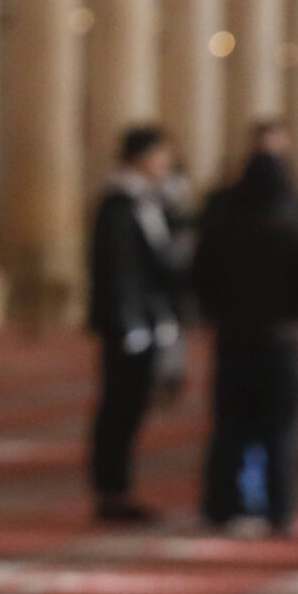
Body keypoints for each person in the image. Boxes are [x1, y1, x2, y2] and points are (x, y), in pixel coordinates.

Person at [190, 152, 298, 533]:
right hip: (279, 343)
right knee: (279, 431)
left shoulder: (221, 229)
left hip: (232, 340)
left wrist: (218, 312)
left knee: (229, 427)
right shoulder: (291, 230)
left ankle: (221, 506)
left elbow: (198, 278)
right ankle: (278, 509)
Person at [86, 124, 185, 523]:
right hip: (130, 325)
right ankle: (113, 491)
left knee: (131, 407)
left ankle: (118, 488)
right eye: (161, 156)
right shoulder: (120, 203)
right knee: (119, 408)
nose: (166, 165)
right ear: (141, 157)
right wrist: (130, 324)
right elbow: (120, 272)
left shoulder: (146, 200)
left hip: (142, 320)